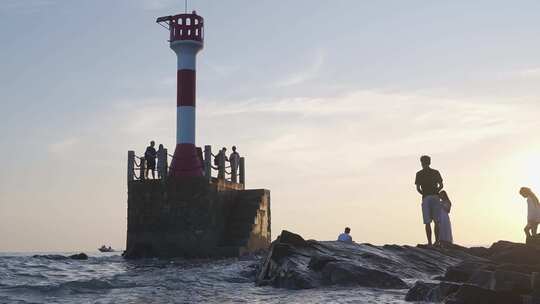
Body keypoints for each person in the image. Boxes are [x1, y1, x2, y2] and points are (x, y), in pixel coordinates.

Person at [415, 155, 444, 246]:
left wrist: (424, 194)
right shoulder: (435, 172)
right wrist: (436, 191)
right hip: (435, 196)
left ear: (421, 163)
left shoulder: (419, 173)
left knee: (427, 221)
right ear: (429, 162)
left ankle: (430, 243)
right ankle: (437, 242)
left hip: (426, 197)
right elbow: (441, 185)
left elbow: (418, 188)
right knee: (437, 221)